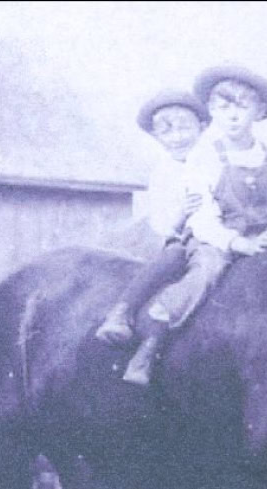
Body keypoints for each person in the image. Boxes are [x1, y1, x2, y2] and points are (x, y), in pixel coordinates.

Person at [116, 64, 267, 386]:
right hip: (216, 239)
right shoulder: (204, 157)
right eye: (224, 107)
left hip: (260, 237)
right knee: (207, 270)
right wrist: (237, 243)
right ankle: (152, 341)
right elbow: (202, 218)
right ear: (212, 112)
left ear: (259, 112)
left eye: (242, 106)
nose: (233, 116)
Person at [95, 89, 210, 345]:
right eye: (167, 131)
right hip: (184, 240)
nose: (177, 137)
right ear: (156, 136)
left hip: (218, 237)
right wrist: (181, 215)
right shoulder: (163, 174)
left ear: (201, 128)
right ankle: (123, 311)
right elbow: (161, 223)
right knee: (173, 257)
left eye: (184, 128)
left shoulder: (211, 163)